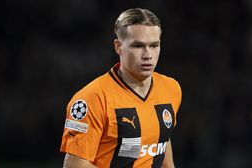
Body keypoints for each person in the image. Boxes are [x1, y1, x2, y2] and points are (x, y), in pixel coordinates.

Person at [60, 8, 182, 168]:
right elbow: (74, 166)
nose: (148, 55)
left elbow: (161, 141)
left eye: (154, 45)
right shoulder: (92, 99)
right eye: (138, 46)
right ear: (118, 47)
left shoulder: (171, 88)